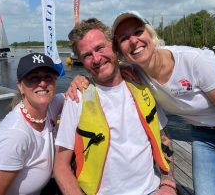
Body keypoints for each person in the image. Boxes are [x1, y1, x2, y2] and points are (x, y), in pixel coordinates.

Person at [70, 11, 215, 195]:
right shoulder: (136, 72)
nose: (133, 41)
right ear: (119, 49)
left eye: (138, 31)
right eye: (124, 38)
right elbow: (105, 70)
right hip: (204, 134)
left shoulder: (194, 61)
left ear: (150, 33)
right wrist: (81, 78)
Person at [53, 18, 177, 195]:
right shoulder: (77, 97)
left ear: (114, 46)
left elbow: (163, 138)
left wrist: (168, 183)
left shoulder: (142, 85)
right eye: (87, 55)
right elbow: (61, 166)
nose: (96, 59)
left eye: (100, 48)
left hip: (153, 190)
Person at [0, 53, 64, 195]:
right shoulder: (14, 136)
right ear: (20, 86)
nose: (42, 83)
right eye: (33, 78)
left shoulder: (50, 106)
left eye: (48, 77)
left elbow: (72, 95)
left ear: (55, 82)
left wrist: (81, 79)